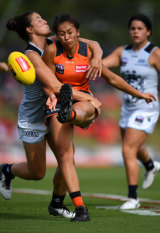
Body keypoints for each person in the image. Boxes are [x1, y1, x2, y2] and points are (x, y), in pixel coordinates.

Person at [42, 13, 156, 221]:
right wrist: (51, 94)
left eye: (70, 33)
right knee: (66, 157)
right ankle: (76, 207)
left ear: (78, 33)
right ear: (56, 36)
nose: (66, 37)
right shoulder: (51, 51)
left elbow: (112, 78)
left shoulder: (88, 52)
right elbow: (48, 83)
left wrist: (139, 94)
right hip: (57, 101)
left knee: (88, 108)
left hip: (82, 102)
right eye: (61, 34)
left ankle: (71, 113)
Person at [0, 11, 103, 220]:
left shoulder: (55, 40)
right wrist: (90, 98)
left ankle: (57, 203)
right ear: (29, 29)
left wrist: (98, 57)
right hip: (32, 117)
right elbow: (56, 87)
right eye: (38, 19)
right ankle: (7, 170)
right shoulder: (30, 55)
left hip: (54, 110)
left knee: (67, 157)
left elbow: (91, 42)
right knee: (37, 173)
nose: (44, 20)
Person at [102, 14, 160, 210]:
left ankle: (133, 198)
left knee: (127, 150)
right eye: (132, 28)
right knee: (133, 148)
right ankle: (151, 166)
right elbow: (101, 66)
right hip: (127, 107)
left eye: (140, 28)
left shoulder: (154, 53)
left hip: (147, 107)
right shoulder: (122, 52)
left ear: (148, 31)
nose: (135, 31)